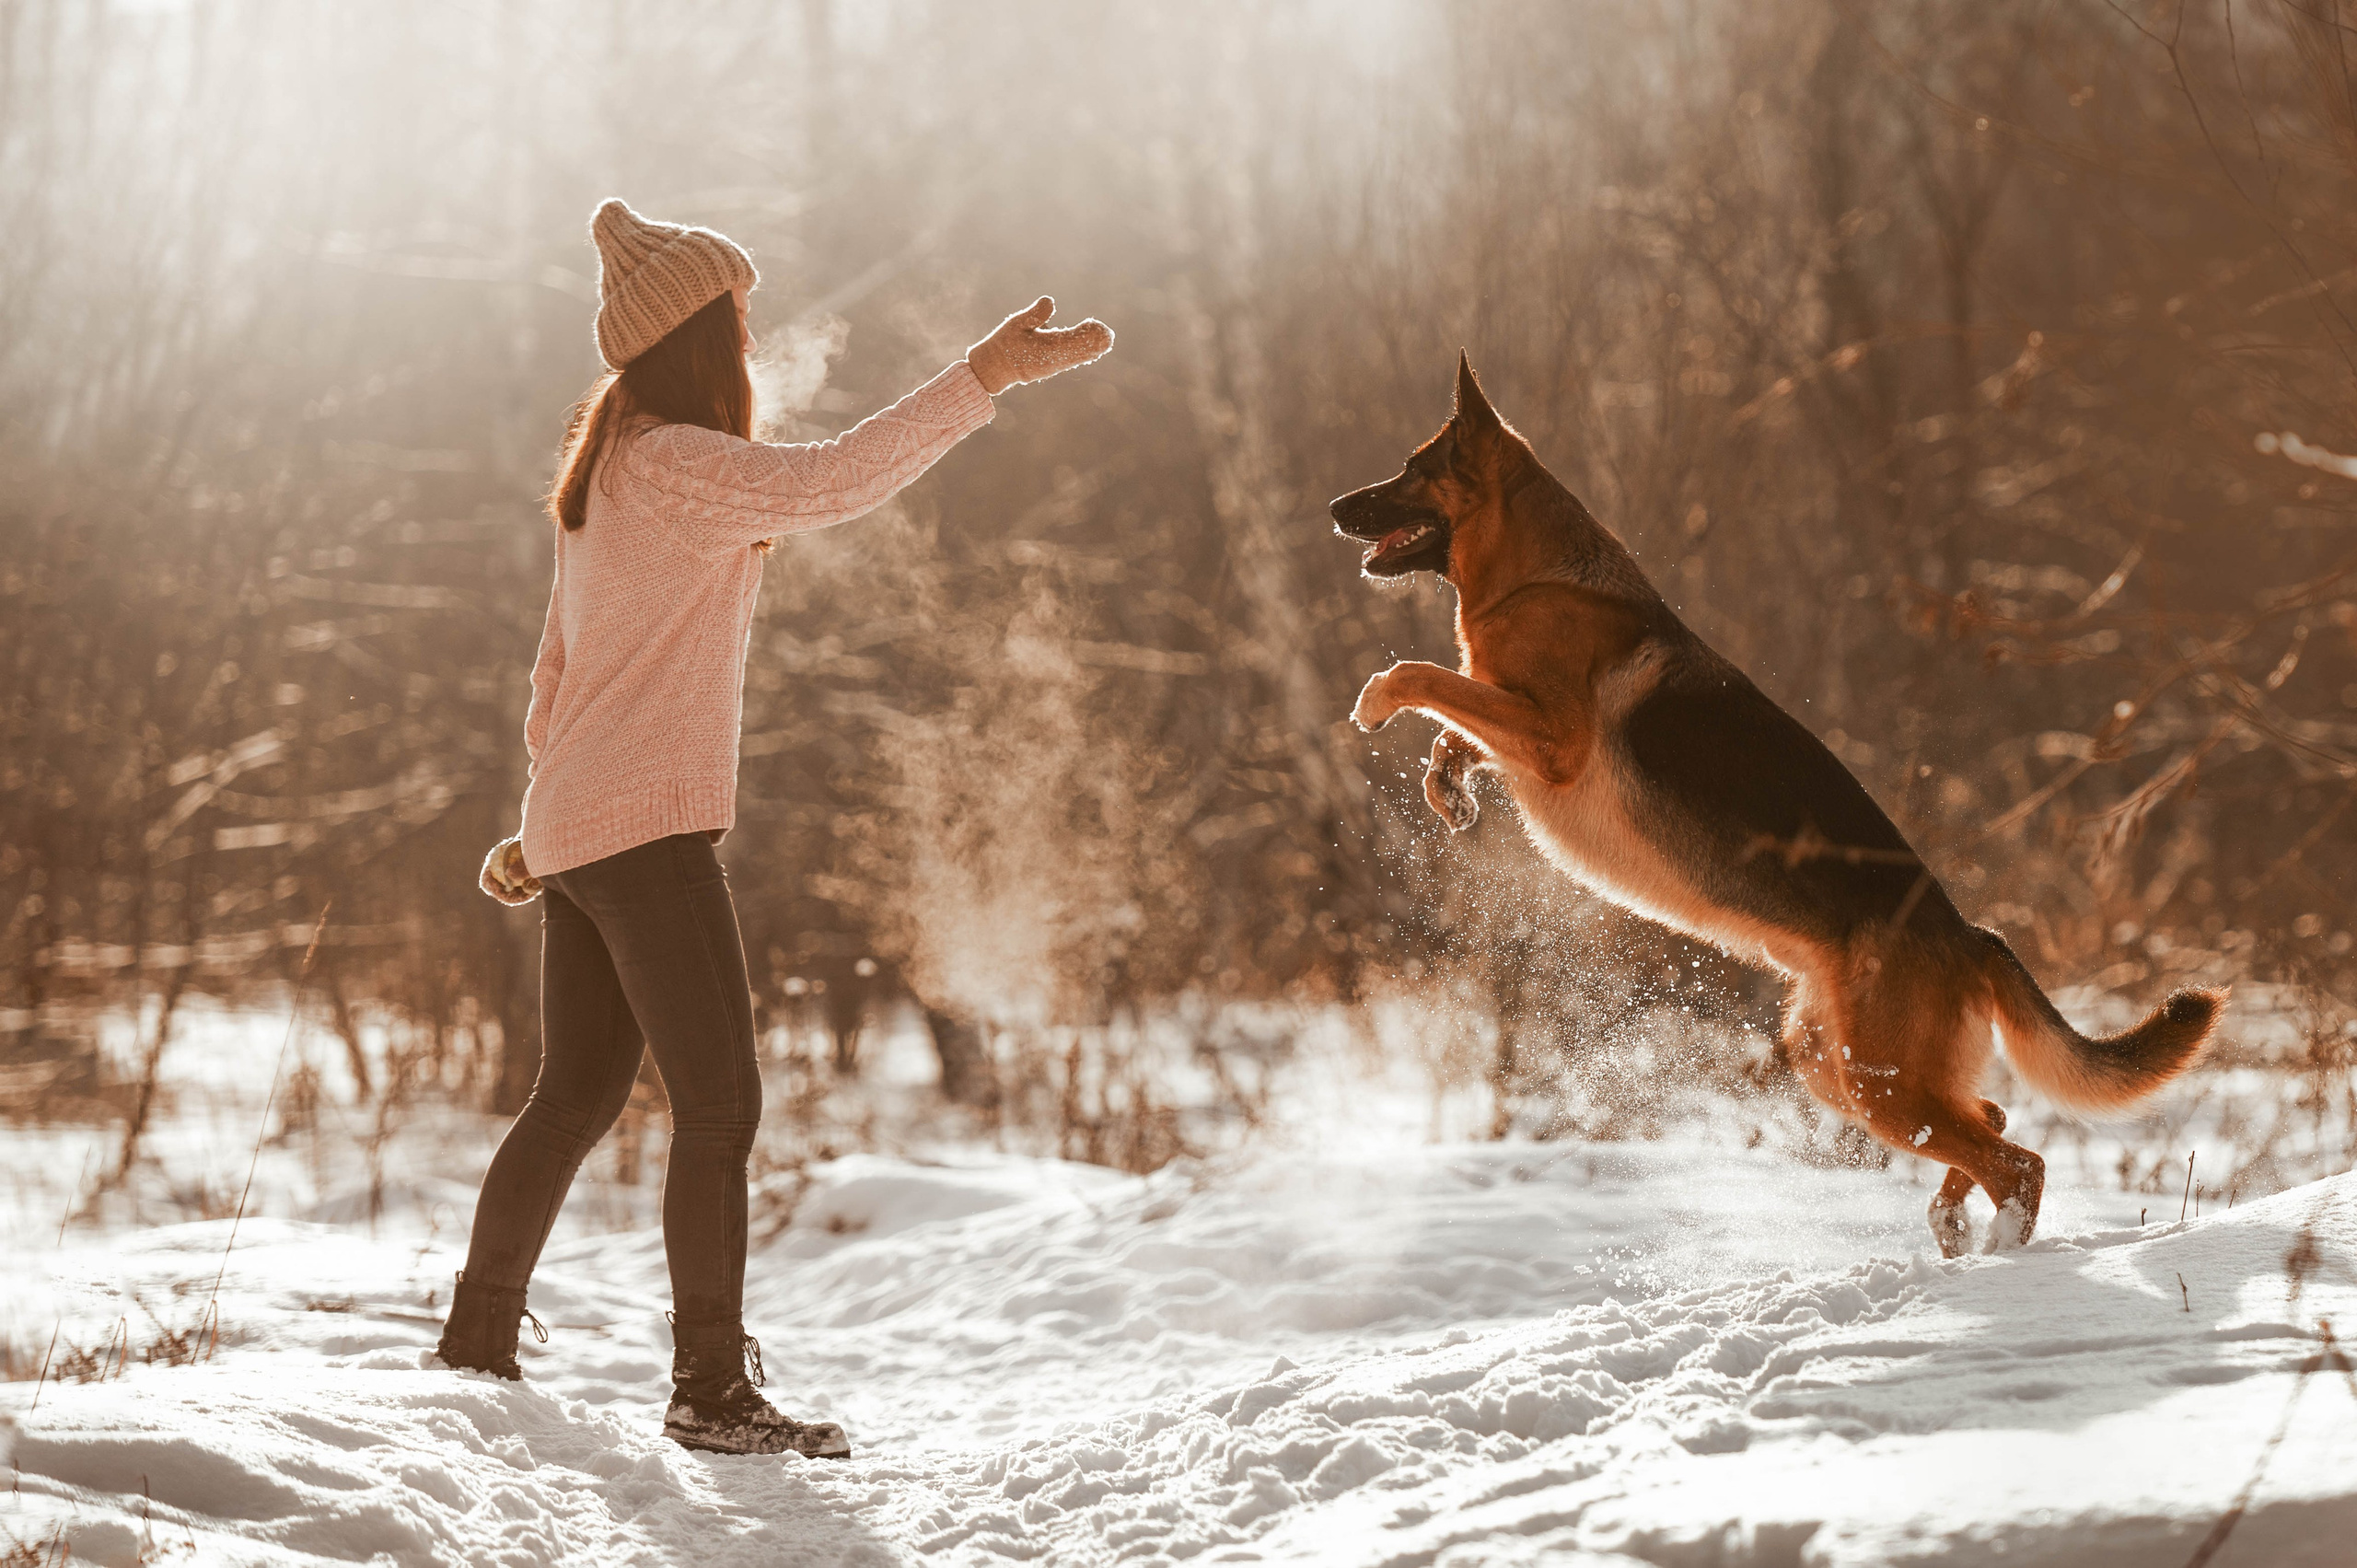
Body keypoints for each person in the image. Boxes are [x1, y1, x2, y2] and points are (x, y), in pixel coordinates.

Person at [434, 198, 1112, 1458]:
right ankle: (708, 1390)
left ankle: (474, 1349)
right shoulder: (677, 462)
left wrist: (545, 828)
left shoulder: (610, 464)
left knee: (573, 1096)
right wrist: (984, 376)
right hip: (640, 838)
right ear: (701, 334)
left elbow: (556, 674)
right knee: (720, 1107)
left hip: (589, 833)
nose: (753, 333)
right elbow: (835, 480)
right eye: (737, 314)